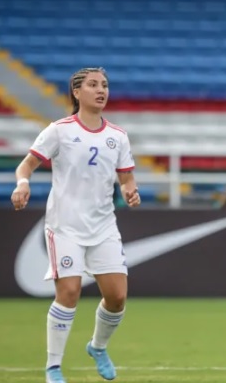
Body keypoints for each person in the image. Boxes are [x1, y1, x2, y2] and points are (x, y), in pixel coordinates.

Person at [11, 68, 141, 383]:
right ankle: (53, 367)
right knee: (68, 292)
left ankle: (97, 347)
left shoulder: (117, 136)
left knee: (117, 297)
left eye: (105, 85)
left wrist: (129, 190)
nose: (101, 90)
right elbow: (27, 163)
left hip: (103, 226)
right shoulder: (59, 130)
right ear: (76, 92)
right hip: (65, 225)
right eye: (93, 85)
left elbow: (126, 176)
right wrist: (22, 183)